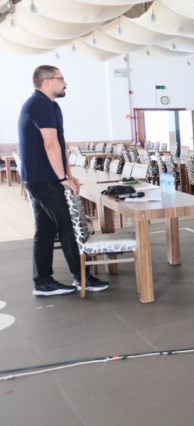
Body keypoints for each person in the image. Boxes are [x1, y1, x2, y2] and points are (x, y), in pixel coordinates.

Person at [20, 65, 108, 297]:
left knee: (45, 229)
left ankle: (43, 282)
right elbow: (49, 144)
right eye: (61, 79)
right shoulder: (40, 104)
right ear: (47, 81)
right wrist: (61, 177)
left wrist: (68, 174)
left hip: (42, 177)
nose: (65, 83)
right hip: (43, 178)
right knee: (66, 226)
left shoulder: (50, 105)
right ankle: (82, 278)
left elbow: (61, 143)